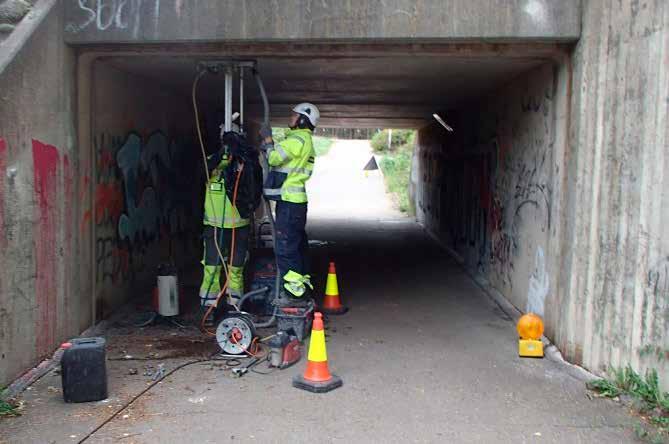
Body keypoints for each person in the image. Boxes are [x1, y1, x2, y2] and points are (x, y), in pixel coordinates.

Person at [260, 103, 320, 306]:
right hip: (297, 203)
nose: (291, 118)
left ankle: (294, 294)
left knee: (285, 248)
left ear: (303, 119)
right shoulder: (306, 141)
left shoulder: (297, 139)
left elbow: (275, 158)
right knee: (297, 246)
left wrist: (268, 142)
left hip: (289, 203)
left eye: (295, 116)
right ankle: (301, 287)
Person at [199, 121, 250, 325]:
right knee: (211, 267)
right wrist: (221, 160)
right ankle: (209, 308)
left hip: (239, 226)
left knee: (236, 269)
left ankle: (234, 307)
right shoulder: (212, 161)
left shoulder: (245, 163)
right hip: (214, 225)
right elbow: (200, 173)